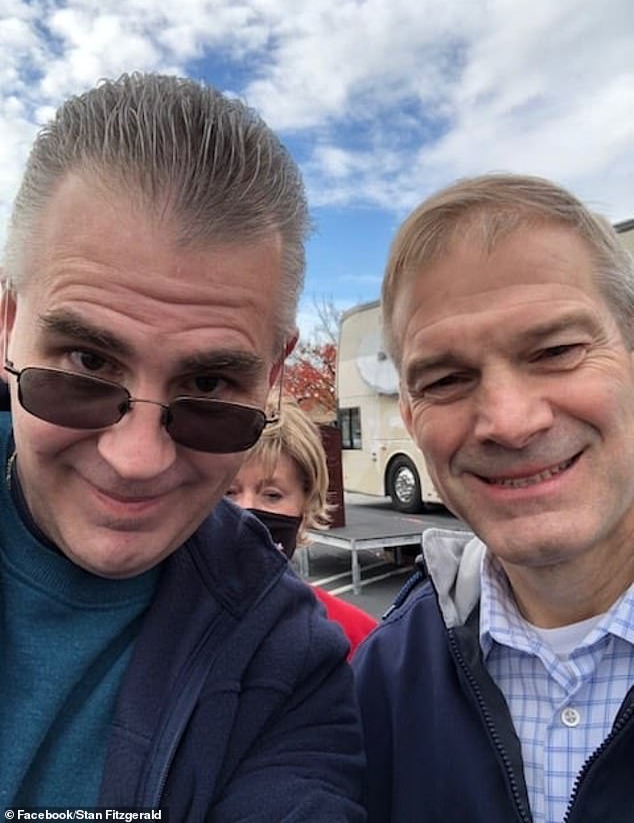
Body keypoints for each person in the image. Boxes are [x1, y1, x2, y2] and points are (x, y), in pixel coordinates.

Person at [0, 72, 365, 820]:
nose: (136, 460)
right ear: (8, 324)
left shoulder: (288, 663)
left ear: (271, 374)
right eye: (87, 363)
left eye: (207, 382)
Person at [353, 173, 634, 823]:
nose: (509, 421)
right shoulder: (383, 682)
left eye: (557, 350)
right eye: (447, 379)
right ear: (412, 415)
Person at [226, 394, 376, 659]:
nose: (246, 511)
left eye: (272, 495)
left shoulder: (358, 638)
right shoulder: (159, 630)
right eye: (228, 492)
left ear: (306, 506)